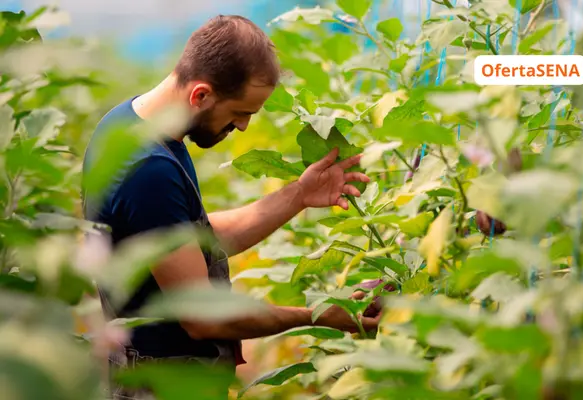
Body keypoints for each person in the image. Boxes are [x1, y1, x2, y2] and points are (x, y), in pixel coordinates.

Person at [81, 14, 382, 399]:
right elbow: (204, 318)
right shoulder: (148, 171)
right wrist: (321, 315)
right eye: (241, 113)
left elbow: (192, 240)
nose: (242, 126)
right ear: (201, 95)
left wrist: (300, 194)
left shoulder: (128, 125)